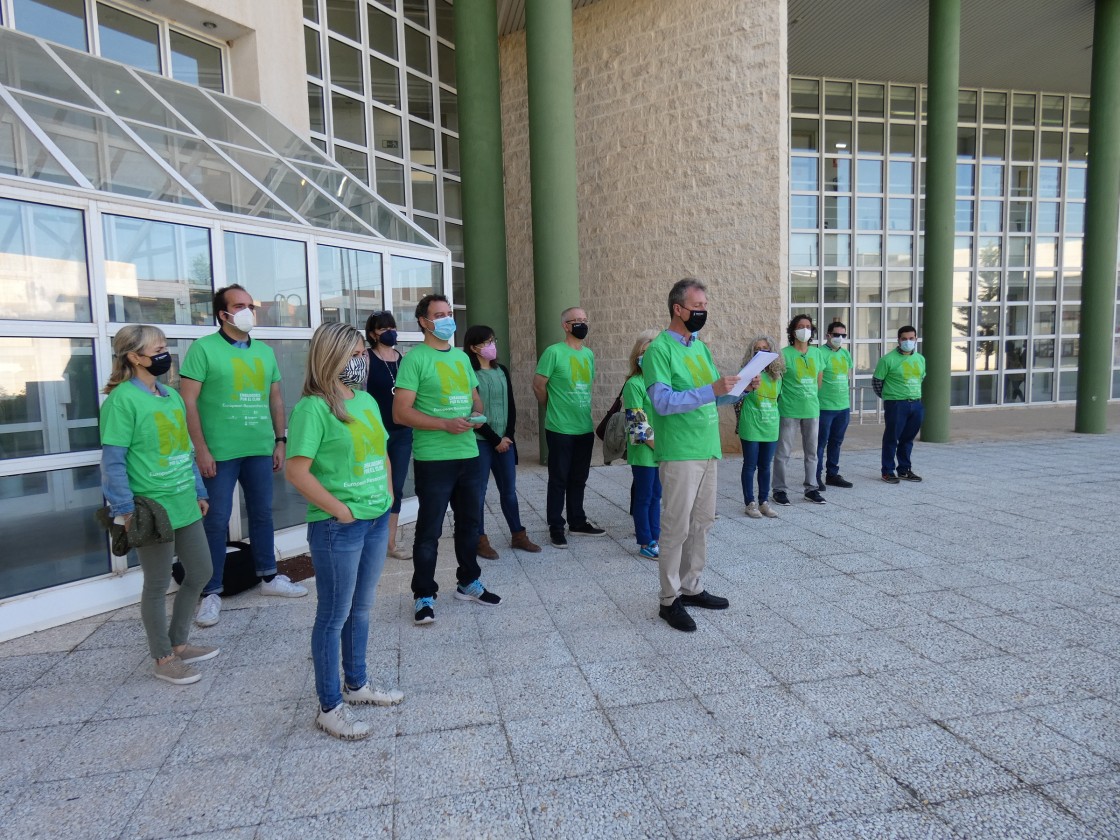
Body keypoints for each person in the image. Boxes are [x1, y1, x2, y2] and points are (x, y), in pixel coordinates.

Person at [286, 322, 404, 740]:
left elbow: (384, 453)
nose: (362, 360)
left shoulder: (368, 401)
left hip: (373, 519)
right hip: (340, 527)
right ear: (331, 356)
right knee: (333, 616)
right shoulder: (312, 408)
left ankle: (357, 685)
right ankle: (330, 706)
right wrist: (340, 510)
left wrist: (388, 494)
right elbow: (296, 470)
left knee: (363, 607)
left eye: (362, 354)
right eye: (355, 354)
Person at [181, 284, 306, 629]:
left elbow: (276, 399)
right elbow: (188, 402)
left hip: (259, 448)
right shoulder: (203, 350)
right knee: (216, 519)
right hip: (219, 453)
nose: (249, 310)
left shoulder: (264, 352)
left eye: (251, 304)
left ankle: (269, 577)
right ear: (222, 314)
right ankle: (210, 591)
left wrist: (281, 440)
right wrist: (201, 449)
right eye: (240, 305)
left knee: (264, 514)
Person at [99, 325, 217, 685]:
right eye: (159, 348)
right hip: (151, 509)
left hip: (183, 501)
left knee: (200, 572)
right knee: (156, 582)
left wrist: (200, 490)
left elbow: (186, 447)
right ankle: (163, 657)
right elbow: (113, 461)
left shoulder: (171, 395)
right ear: (135, 357)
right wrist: (124, 509)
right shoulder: (121, 401)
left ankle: (179, 642)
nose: (166, 354)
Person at [644, 278, 753, 632]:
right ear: (678, 308)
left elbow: (715, 397)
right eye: (698, 307)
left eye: (706, 306)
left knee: (702, 523)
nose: (703, 313)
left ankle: (692, 587)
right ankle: (668, 599)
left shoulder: (699, 348)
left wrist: (740, 390)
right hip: (679, 451)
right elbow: (662, 401)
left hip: (707, 448)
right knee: (675, 527)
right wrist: (711, 389)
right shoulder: (659, 350)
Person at [394, 294, 502, 625]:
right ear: (423, 322)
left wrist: (475, 416)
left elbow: (475, 400)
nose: (446, 319)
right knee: (429, 529)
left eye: (449, 313)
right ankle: (423, 595)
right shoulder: (415, 360)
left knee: (470, 525)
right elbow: (401, 413)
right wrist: (443, 423)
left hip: (468, 453)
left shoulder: (459, 357)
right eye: (438, 315)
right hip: (434, 458)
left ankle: (468, 581)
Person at [463, 324, 541, 559]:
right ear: (473, 347)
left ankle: (518, 535)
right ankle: (479, 539)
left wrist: (508, 435)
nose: (491, 346)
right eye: (486, 342)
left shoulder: (502, 370)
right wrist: (495, 439)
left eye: (492, 340)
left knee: (509, 490)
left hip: (505, 440)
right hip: (480, 440)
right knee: (479, 492)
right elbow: (471, 411)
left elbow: (511, 405)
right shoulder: (469, 373)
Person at [533, 306, 606, 548]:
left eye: (585, 320)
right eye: (577, 321)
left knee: (579, 478)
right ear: (566, 326)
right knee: (558, 479)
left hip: (584, 427)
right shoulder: (553, 352)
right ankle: (556, 526)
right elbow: (538, 385)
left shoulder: (589, 355)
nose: (583, 324)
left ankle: (578, 521)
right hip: (560, 428)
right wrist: (551, 408)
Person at [363, 310, 412, 560]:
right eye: (383, 329)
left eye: (392, 327)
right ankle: (371, 539)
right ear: (372, 333)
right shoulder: (367, 359)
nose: (389, 332)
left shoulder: (400, 358)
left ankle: (390, 543)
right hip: (375, 433)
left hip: (402, 432)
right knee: (376, 485)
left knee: (397, 487)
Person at [772, 314, 824, 506]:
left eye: (808, 326)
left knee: (812, 452)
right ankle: (779, 489)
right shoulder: (784, 354)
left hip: (811, 409)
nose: (805, 329)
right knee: (783, 452)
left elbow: (819, 381)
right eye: (801, 326)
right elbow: (778, 381)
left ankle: (811, 488)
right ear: (793, 331)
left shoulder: (817, 354)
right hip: (789, 409)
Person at [623, 329, 661, 558]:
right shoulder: (634, 384)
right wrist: (659, 446)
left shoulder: (660, 382)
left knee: (657, 495)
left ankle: (655, 536)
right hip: (645, 450)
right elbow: (638, 425)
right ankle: (645, 541)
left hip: (661, 449)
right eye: (644, 352)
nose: (647, 357)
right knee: (644, 496)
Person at [737, 336, 784, 519]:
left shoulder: (777, 375)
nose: (761, 351)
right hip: (751, 425)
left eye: (765, 348)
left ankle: (764, 502)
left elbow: (778, 399)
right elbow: (738, 396)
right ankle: (750, 503)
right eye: (757, 348)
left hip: (770, 424)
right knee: (750, 465)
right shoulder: (747, 372)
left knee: (765, 465)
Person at [874, 325, 927, 484]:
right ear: (898, 340)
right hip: (896, 404)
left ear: (916, 339)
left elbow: (921, 378)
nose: (908, 341)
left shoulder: (920, 359)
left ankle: (904, 469)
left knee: (908, 438)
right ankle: (888, 471)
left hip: (916, 404)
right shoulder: (887, 360)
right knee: (891, 438)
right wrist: (891, 398)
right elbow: (877, 383)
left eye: (911, 338)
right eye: (904, 339)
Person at [816, 320, 854, 490]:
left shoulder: (845, 354)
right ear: (828, 335)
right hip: (824, 407)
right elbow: (816, 380)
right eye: (836, 335)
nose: (840, 338)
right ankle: (814, 477)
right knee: (820, 443)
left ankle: (832, 474)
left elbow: (846, 376)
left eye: (843, 335)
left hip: (843, 406)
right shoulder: (819, 353)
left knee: (836, 442)